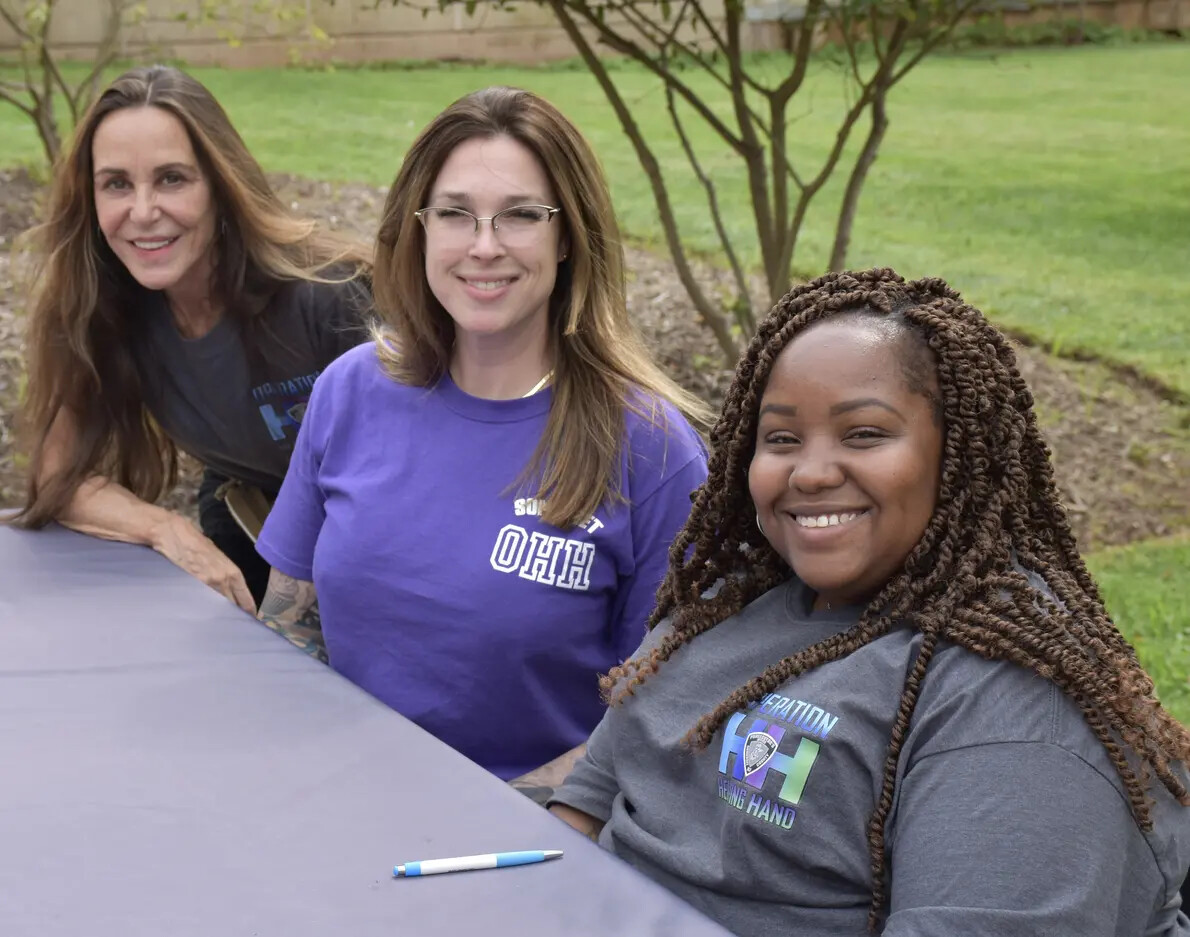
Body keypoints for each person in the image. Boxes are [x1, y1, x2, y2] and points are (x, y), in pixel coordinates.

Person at [549, 269, 1190, 936]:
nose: (812, 471)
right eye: (782, 438)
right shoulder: (727, 603)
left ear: (959, 453)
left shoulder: (1015, 703)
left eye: (863, 434)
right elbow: (581, 814)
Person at [253, 86, 710, 786]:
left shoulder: (652, 450)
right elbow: (288, 626)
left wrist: (474, 819)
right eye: (456, 214)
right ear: (420, 228)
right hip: (336, 805)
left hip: (533, 851)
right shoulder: (350, 392)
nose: (484, 246)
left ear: (568, 238)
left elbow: (655, 718)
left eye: (521, 215)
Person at [11, 65, 372, 613]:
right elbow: (57, 477)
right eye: (116, 184)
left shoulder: (328, 294)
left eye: (172, 178)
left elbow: (426, 475)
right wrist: (165, 530)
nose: (143, 212)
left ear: (221, 187)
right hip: (250, 515)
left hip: (375, 531)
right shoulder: (103, 306)